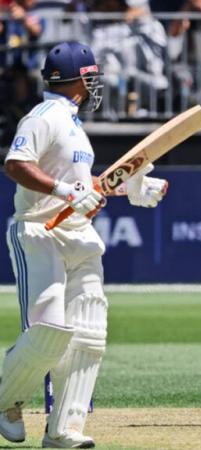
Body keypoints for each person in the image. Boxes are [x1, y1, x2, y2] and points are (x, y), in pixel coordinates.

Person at [0, 41, 167, 448]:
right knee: (49, 333)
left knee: (89, 334)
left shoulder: (74, 125)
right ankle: (6, 401)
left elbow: (86, 186)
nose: (96, 86)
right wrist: (65, 192)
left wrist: (132, 188)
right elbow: (15, 164)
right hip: (39, 232)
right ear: (77, 80)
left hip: (78, 236)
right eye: (92, 77)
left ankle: (64, 429)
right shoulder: (43, 117)